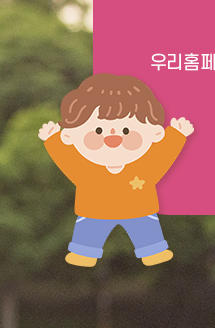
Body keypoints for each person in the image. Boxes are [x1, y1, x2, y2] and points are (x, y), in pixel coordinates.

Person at [38, 74, 194, 267]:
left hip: (136, 209)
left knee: (145, 229)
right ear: (71, 135)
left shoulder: (144, 166)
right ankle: (85, 251)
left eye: (126, 130)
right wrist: (53, 140)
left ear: (154, 133)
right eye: (98, 130)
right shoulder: (86, 169)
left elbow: (163, 156)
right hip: (96, 210)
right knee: (90, 232)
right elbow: (67, 160)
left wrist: (176, 135)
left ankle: (151, 249)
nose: (112, 138)